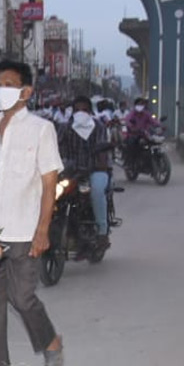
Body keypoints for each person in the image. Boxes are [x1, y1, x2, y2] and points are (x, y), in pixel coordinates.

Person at [0, 59, 64, 366]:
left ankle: (51, 341)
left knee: (22, 297)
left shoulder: (41, 130)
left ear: (26, 91)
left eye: (10, 84)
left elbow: (49, 180)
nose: (2, 90)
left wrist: (43, 230)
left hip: (25, 231)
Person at [60, 95, 113, 252]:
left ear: (90, 111)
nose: (80, 113)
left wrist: (99, 165)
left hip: (95, 170)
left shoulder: (99, 127)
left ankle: (102, 232)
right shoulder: (65, 128)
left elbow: (103, 153)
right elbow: (56, 146)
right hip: (71, 172)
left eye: (84, 110)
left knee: (96, 191)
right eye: (77, 110)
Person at [123, 97, 159, 163]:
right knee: (132, 146)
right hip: (133, 135)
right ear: (135, 105)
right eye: (139, 104)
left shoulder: (146, 114)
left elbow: (153, 121)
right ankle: (130, 162)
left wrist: (160, 125)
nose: (141, 106)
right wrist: (132, 127)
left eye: (142, 104)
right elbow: (127, 121)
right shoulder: (132, 114)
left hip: (144, 134)